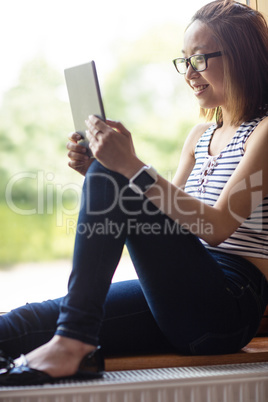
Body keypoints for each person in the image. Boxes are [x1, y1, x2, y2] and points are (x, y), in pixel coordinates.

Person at [0, 0, 267, 386]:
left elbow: (218, 227)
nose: (189, 73)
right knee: (29, 321)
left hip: (228, 306)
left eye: (200, 58)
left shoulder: (263, 132)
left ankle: (73, 343)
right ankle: (71, 336)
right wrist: (99, 172)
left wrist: (129, 167)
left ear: (242, 57)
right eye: (184, 61)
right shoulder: (199, 136)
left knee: (116, 175)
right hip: (182, 292)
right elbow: (168, 222)